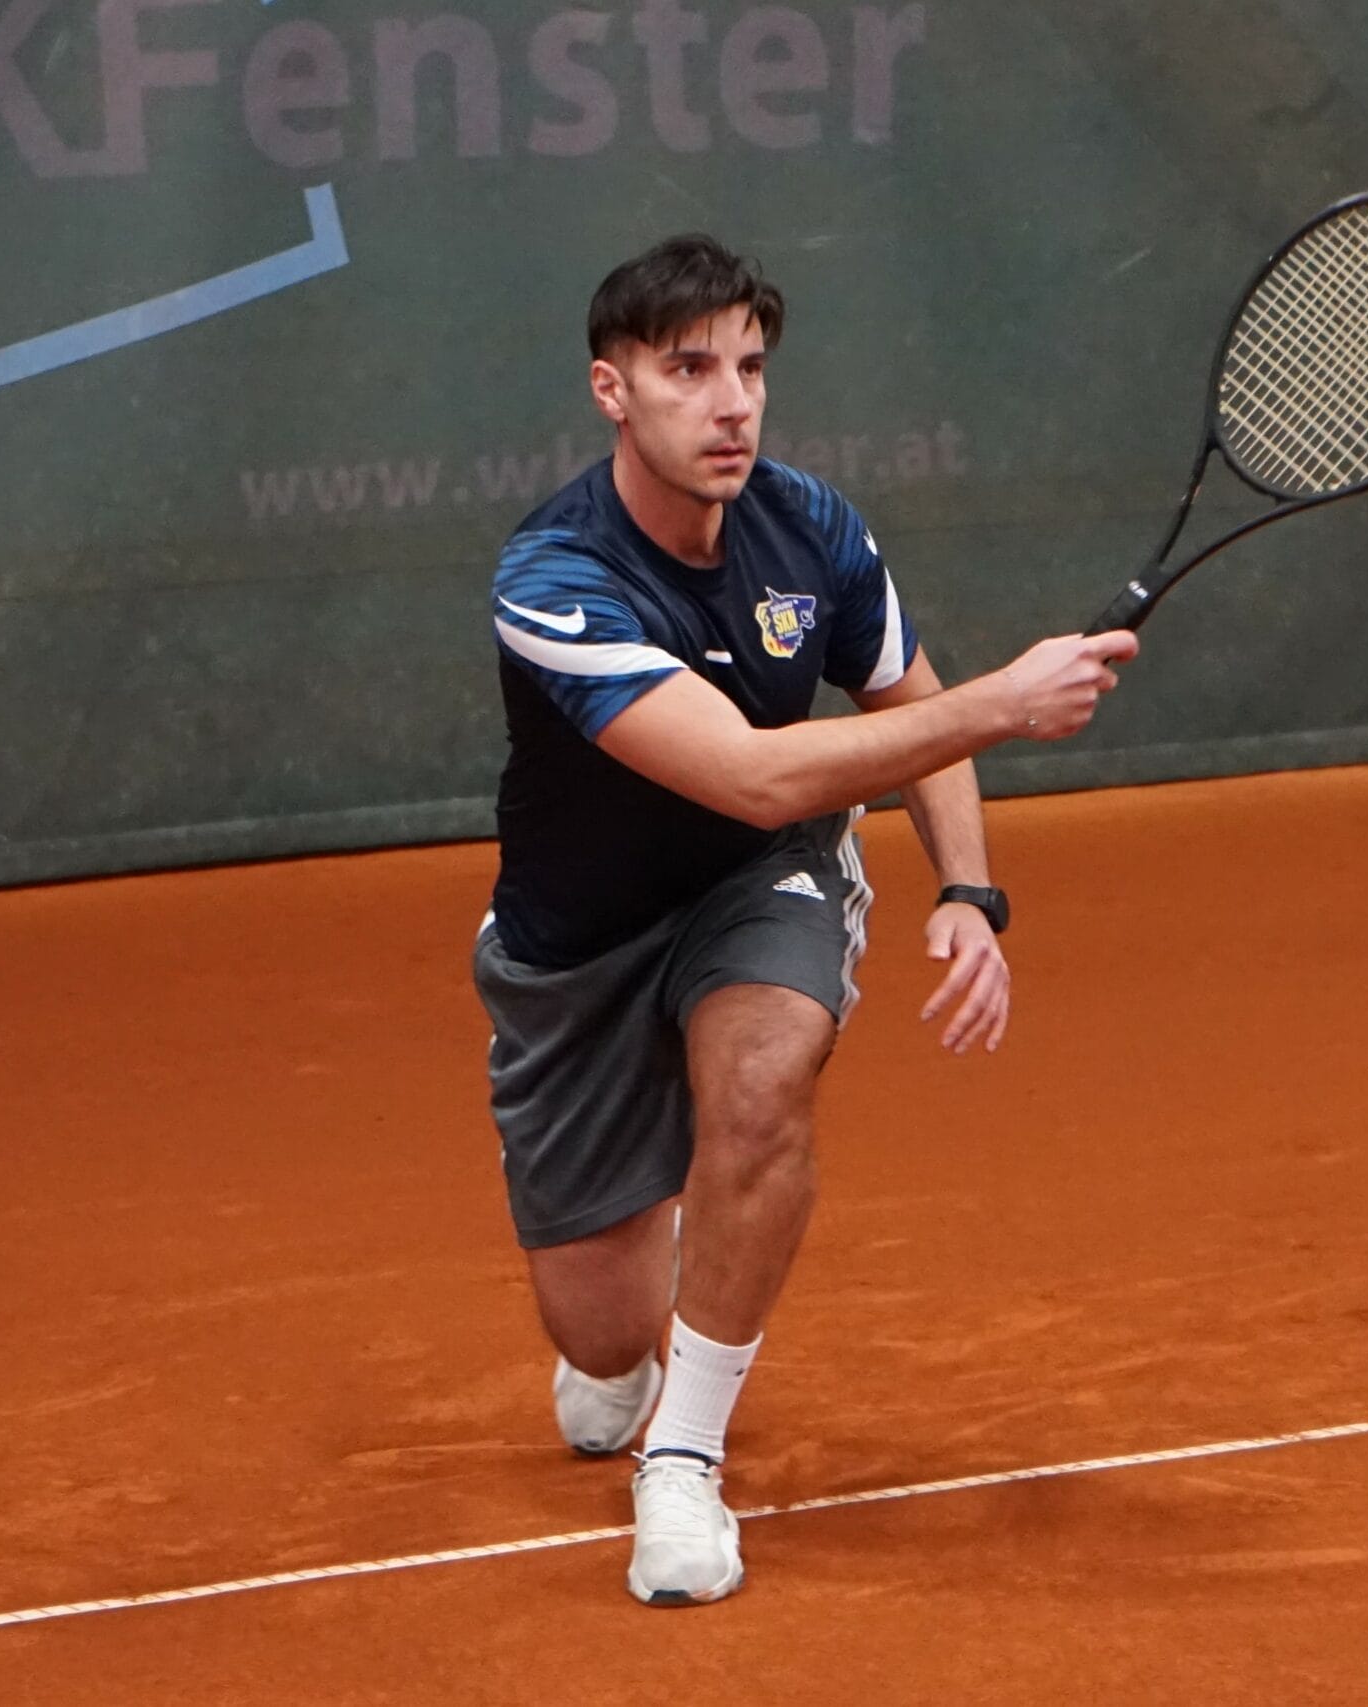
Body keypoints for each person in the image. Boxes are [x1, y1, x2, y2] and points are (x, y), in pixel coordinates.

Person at [473, 233, 1137, 1606]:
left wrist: (970, 890)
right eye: (689, 370)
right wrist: (1009, 703)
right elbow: (754, 767)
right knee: (600, 1341)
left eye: (752, 369)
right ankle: (637, 1335)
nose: (732, 404)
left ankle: (684, 1463)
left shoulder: (811, 529)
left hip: (757, 880)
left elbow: (903, 711)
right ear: (612, 391)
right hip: (576, 946)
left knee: (766, 1079)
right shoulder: (553, 577)